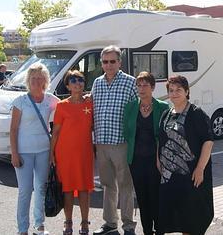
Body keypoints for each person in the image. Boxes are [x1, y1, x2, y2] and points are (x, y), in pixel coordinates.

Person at [157, 75, 215, 235]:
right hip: (170, 177)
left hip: (190, 176)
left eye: (178, 90)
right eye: (171, 90)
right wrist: (158, 160)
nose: (174, 93)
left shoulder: (196, 114)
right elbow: (161, 138)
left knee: (191, 220)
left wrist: (200, 168)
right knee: (178, 218)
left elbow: (208, 142)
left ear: (187, 91)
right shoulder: (166, 113)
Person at [91, 45, 138, 235]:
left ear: (119, 62)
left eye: (112, 61)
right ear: (101, 64)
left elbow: (140, 108)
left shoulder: (130, 82)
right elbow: (91, 104)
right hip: (101, 143)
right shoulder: (97, 83)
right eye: (105, 62)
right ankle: (110, 224)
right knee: (108, 185)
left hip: (121, 143)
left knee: (126, 186)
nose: (108, 65)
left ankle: (128, 226)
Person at [10, 63, 59, 235]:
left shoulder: (51, 100)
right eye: (33, 78)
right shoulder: (20, 101)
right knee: (25, 191)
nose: (37, 81)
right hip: (23, 152)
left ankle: (39, 225)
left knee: (40, 188)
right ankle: (22, 229)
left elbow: (67, 108)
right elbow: (13, 129)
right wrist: (14, 154)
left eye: (40, 78)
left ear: (46, 80)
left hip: (44, 151)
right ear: (28, 80)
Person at [123, 72, 170, 235]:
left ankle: (160, 229)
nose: (141, 89)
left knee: (156, 197)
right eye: (139, 85)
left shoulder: (163, 107)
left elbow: (165, 136)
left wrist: (160, 157)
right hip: (135, 160)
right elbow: (126, 131)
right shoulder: (130, 107)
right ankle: (147, 231)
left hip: (156, 161)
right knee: (142, 198)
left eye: (145, 85)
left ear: (153, 87)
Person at [50, 70, 94, 235]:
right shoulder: (62, 106)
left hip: (84, 153)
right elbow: (55, 132)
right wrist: (51, 154)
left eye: (80, 80)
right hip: (65, 154)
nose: (78, 83)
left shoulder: (90, 103)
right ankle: (68, 222)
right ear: (68, 86)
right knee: (67, 190)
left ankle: (84, 222)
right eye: (73, 81)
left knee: (84, 189)